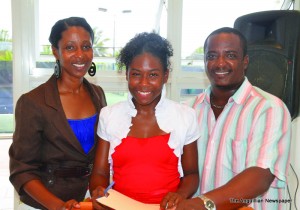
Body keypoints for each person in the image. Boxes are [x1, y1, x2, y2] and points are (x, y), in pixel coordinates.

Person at [176, 27, 291, 210]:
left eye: (230, 55)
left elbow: (260, 176)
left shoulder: (268, 108)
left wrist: (203, 204)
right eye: (212, 56)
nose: (220, 63)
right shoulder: (188, 110)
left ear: (245, 61)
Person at [89, 32, 200, 209]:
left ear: (166, 76)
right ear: (126, 74)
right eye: (136, 74)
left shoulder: (185, 116)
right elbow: (100, 172)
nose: (144, 83)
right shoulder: (109, 115)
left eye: (153, 75)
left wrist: (180, 195)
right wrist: (98, 190)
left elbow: (192, 174)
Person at [9, 17, 107, 210]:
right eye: (70, 47)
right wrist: (59, 206)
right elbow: (22, 170)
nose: (80, 55)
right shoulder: (33, 102)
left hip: (86, 201)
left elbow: (99, 156)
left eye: (86, 46)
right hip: (45, 203)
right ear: (56, 51)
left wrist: (98, 189)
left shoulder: (98, 94)